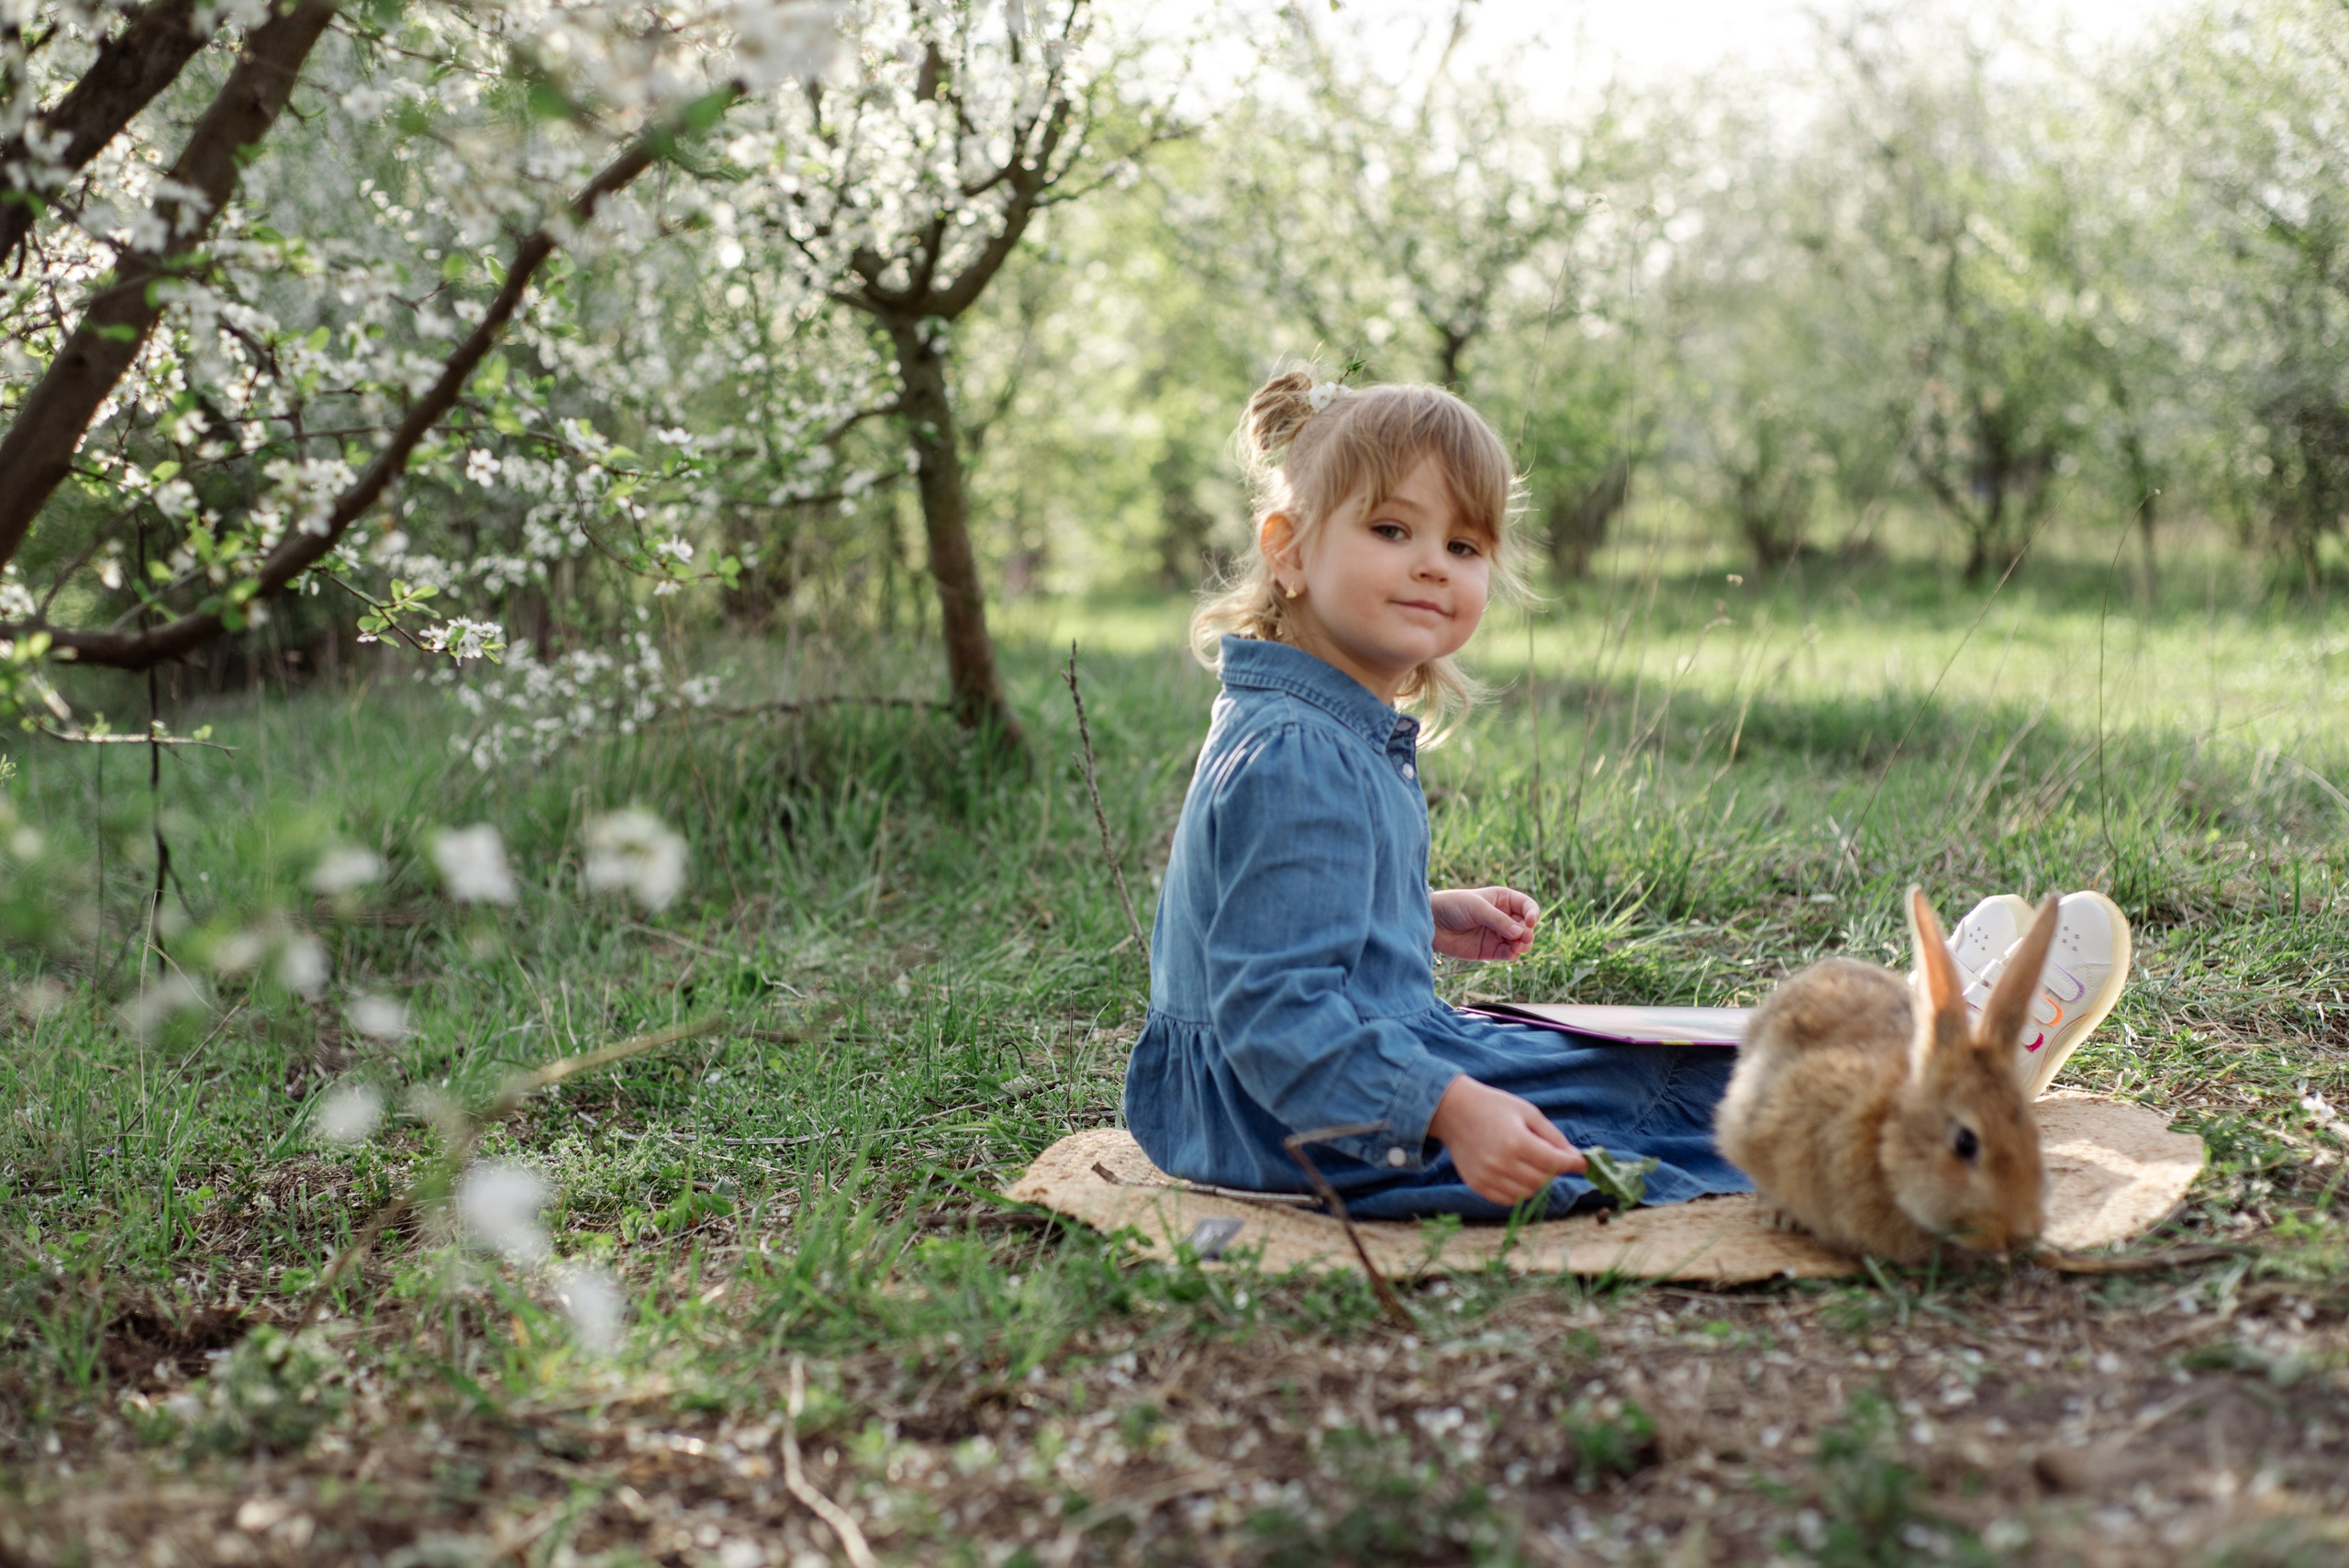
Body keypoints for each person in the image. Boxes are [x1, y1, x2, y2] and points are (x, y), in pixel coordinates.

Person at [1120, 364, 2128, 1220]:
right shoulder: (1300, 749)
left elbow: (1268, 917)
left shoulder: (1303, 721)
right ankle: (1944, 1094)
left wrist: (1415, 911)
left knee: (1627, 1052)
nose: (1433, 565)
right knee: (1653, 1102)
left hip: (1307, 1082)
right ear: (1288, 548)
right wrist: (1450, 1111)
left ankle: (1923, 1034)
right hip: (1304, 1119)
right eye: (1392, 529)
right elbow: (1271, 1011)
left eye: (1464, 547)